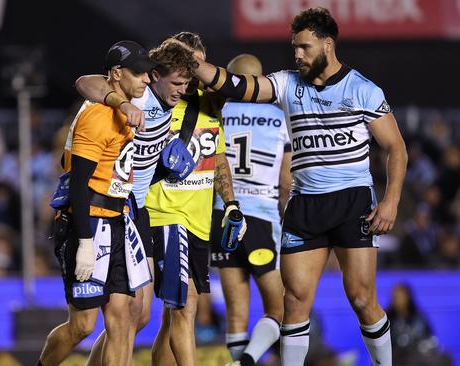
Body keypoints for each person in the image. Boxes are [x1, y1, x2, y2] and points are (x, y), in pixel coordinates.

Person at [181, 7, 408, 365]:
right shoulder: (287, 83)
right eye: (294, 48)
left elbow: (396, 147)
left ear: (328, 45)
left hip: (352, 203)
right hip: (305, 205)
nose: (297, 55)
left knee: (362, 299)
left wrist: (391, 201)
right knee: (293, 301)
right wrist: (195, 65)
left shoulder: (363, 90)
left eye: (304, 47)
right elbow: (238, 85)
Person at [74, 40, 199, 365]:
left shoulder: (170, 98)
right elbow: (84, 83)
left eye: (186, 84)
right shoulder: (138, 95)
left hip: (138, 209)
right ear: (153, 75)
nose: (181, 91)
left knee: (140, 316)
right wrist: (122, 103)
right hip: (115, 206)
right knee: (121, 314)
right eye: (175, 84)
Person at [36, 40, 153, 366]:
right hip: (89, 224)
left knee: (124, 316)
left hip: (116, 219)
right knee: (82, 326)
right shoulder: (98, 116)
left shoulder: (121, 107)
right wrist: (85, 242)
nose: (146, 79)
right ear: (117, 74)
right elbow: (79, 186)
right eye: (139, 73)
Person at [144, 31, 246, 366]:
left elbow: (218, 156)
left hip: (199, 222)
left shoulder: (210, 103)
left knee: (171, 316)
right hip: (166, 217)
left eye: (198, 65)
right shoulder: (156, 100)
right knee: (185, 307)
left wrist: (230, 203)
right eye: (188, 65)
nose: (193, 73)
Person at [209, 54, 289, 366]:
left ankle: (237, 360)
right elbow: (286, 181)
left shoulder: (217, 112)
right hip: (261, 218)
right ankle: (248, 361)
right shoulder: (279, 116)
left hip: (223, 215)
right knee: (279, 310)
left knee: (236, 316)